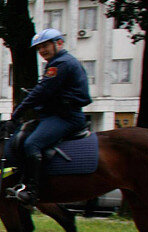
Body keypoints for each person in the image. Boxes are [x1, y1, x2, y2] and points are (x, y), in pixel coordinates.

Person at [7, 29, 91, 205]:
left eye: (45, 46)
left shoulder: (60, 64)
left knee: (32, 144)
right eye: (39, 48)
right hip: (55, 114)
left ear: (59, 43)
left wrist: (18, 111)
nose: (42, 51)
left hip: (65, 117)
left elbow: (42, 91)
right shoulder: (58, 63)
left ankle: (32, 191)